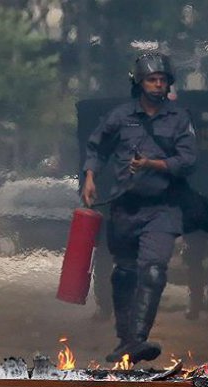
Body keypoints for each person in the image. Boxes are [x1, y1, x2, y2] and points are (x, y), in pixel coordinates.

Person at [81, 53, 197, 364]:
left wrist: (152, 164)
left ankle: (139, 338)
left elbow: (187, 162)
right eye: (151, 79)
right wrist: (90, 177)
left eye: (162, 80)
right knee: (124, 273)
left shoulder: (179, 119)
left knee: (154, 270)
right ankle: (126, 340)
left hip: (163, 208)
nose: (158, 85)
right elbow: (97, 147)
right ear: (139, 82)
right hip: (124, 206)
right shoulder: (120, 117)